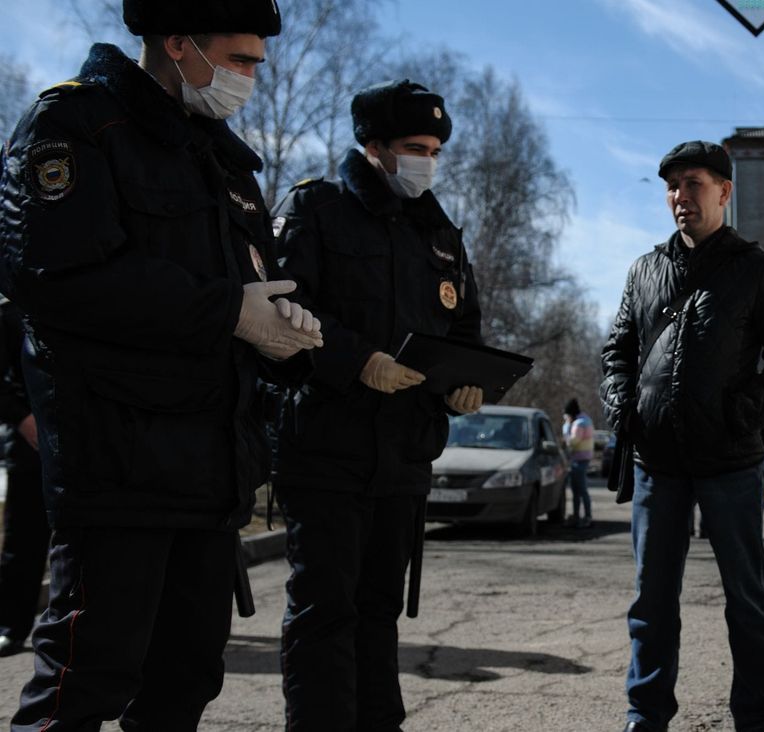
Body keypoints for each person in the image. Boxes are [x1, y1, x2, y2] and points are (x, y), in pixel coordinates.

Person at [0, 2, 325, 728]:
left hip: (210, 473)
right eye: (239, 60)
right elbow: (57, 277)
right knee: (84, 683)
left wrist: (284, 335)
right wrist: (230, 312)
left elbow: (252, 286)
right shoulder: (75, 126)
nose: (251, 77)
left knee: (185, 681)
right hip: (117, 466)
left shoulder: (223, 159)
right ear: (178, 42)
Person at [271, 78, 484, 731]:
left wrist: (465, 382)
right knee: (324, 613)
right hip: (326, 450)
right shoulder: (317, 209)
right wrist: (357, 360)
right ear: (374, 147)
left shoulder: (439, 232)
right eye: (415, 148)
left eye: (436, 151)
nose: (428, 162)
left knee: (378, 612)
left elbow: (464, 328)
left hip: (403, 456)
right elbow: (282, 309)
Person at [601, 140, 764, 732]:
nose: (680, 196)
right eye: (672, 186)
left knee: (747, 602)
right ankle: (644, 718)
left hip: (730, 462)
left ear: (724, 192)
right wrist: (623, 406)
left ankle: (755, 718)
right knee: (650, 603)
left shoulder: (755, 268)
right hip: (656, 463)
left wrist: (739, 414)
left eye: (693, 184)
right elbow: (617, 350)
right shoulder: (645, 270)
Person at [0, 300, 47, 658]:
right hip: (30, 443)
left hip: (89, 444)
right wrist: (23, 419)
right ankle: (10, 627)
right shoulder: (10, 313)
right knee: (24, 541)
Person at [562, 398, 595, 527]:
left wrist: (566, 426)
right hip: (582, 458)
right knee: (576, 490)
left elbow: (573, 442)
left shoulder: (579, 423)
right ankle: (577, 516)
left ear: (571, 413)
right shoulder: (586, 419)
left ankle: (587, 517)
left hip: (579, 459)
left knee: (580, 489)